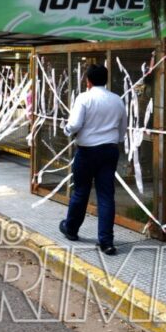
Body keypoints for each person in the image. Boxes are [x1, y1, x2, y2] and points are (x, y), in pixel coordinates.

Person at [59, 64, 127, 255]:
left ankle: (71, 229)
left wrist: (66, 130)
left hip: (87, 151)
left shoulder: (84, 98)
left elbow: (75, 124)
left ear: (88, 80)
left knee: (81, 191)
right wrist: (116, 140)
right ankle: (106, 241)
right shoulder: (117, 100)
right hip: (110, 150)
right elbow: (123, 127)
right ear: (106, 79)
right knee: (106, 195)